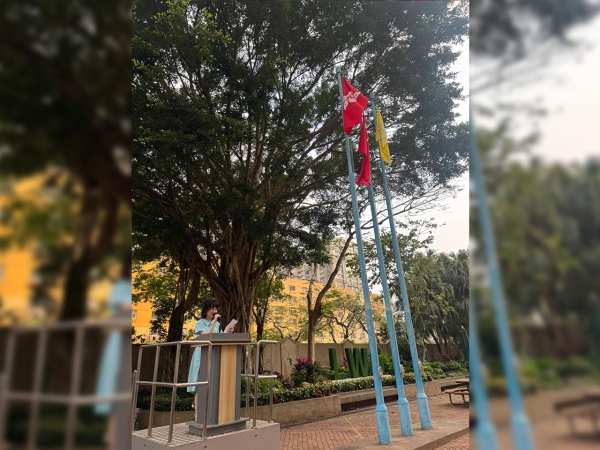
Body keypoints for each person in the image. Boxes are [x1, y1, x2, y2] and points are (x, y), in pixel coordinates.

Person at [187, 299, 235, 415]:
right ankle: (198, 414)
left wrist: (228, 332)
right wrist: (214, 322)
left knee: (213, 382)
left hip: (214, 353)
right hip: (202, 354)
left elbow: (220, 338)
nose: (214, 311)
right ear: (206, 309)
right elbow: (207, 335)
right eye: (212, 309)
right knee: (200, 384)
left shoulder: (217, 324)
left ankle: (211, 413)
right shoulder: (200, 323)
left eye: (216, 309)